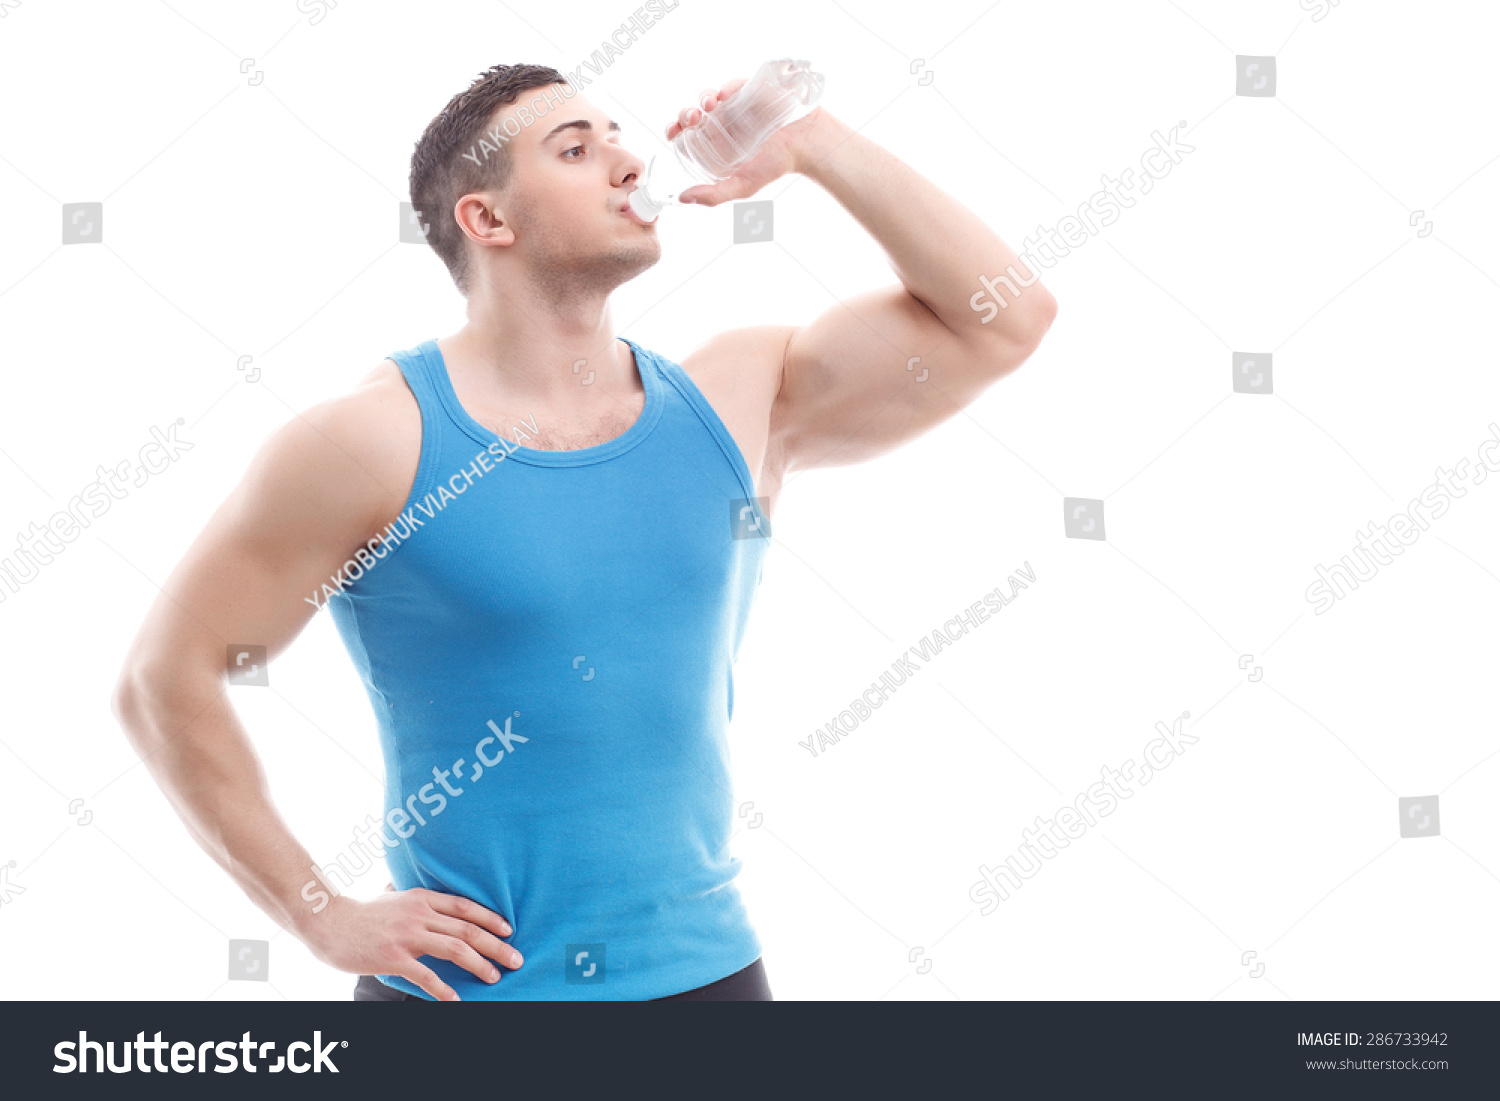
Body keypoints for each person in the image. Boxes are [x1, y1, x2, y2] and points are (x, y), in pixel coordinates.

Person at [112, 62, 1056, 1001]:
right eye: (574, 148)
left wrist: (813, 144)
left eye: (617, 138)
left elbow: (1004, 319)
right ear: (488, 220)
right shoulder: (372, 439)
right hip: (466, 998)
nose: (625, 162)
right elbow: (167, 676)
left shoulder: (737, 395)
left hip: (713, 981)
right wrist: (318, 912)